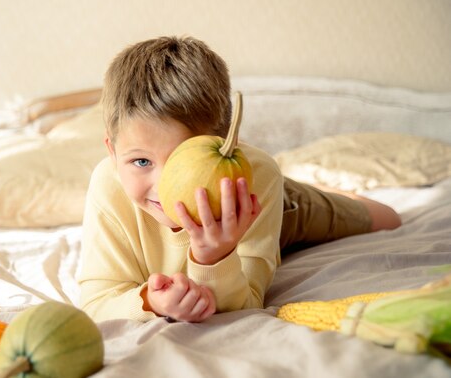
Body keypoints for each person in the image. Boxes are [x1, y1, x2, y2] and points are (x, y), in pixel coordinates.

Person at [77, 36, 401, 323]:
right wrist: (150, 301)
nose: (164, 185)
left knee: (387, 218)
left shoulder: (258, 177)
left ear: (225, 145)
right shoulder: (108, 185)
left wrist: (214, 258)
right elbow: (96, 304)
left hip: (275, 209)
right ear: (112, 152)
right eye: (142, 161)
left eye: (182, 159)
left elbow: (246, 304)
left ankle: (318, 190)